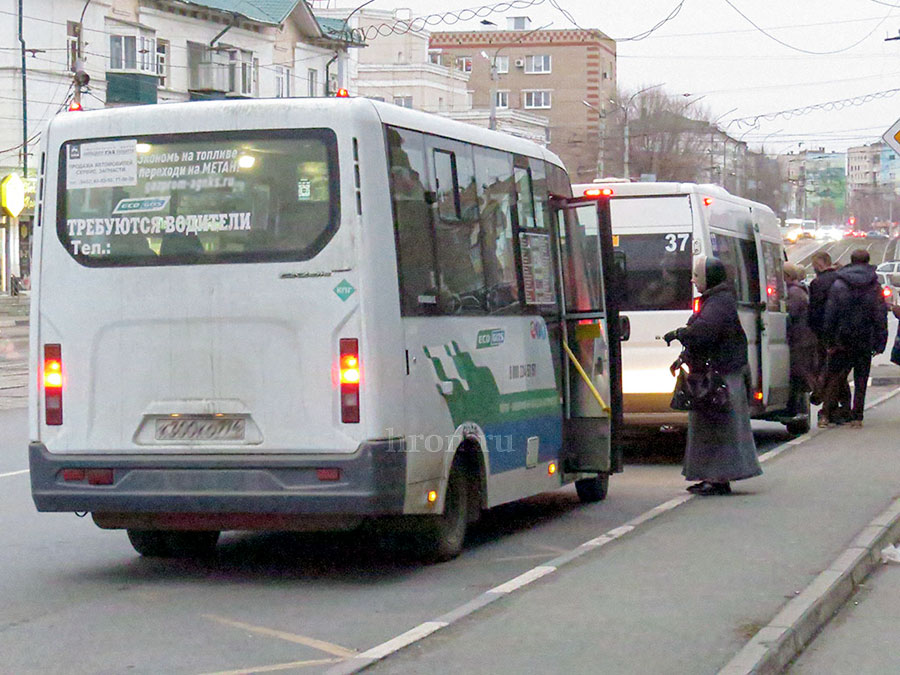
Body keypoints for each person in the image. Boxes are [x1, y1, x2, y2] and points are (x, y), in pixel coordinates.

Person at [663, 255, 762, 496]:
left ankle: (718, 477)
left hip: (719, 376)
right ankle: (712, 475)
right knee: (714, 426)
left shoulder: (717, 303)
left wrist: (680, 333)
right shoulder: (718, 300)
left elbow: (705, 332)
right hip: (721, 372)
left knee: (716, 427)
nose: (693, 280)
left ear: (709, 278)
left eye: (697, 276)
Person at [821, 249, 889, 428]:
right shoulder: (874, 286)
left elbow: (831, 313)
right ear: (868, 262)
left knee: (836, 376)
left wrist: (828, 338)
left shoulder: (839, 284)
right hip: (865, 337)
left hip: (842, 337)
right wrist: (881, 341)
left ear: (851, 261)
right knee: (861, 377)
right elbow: (879, 314)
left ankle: (826, 414)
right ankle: (857, 416)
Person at [807, 250, 850, 424]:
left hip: (826, 334)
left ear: (819, 264)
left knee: (831, 372)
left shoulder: (818, 283)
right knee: (839, 372)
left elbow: (815, 312)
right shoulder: (843, 280)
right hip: (846, 332)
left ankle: (826, 408)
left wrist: (817, 333)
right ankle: (843, 408)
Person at [783, 262, 817, 417]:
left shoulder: (795, 293)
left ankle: (800, 406)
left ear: (788, 276)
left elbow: (790, 314)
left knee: (798, 374)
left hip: (800, 341)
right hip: (801, 339)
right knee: (798, 374)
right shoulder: (797, 291)